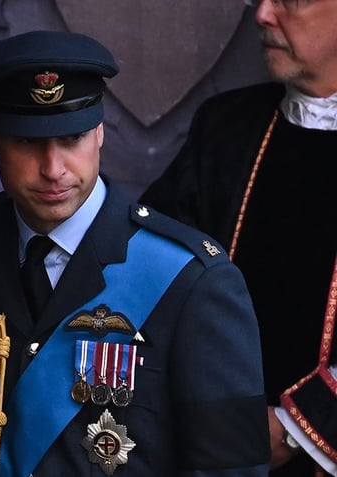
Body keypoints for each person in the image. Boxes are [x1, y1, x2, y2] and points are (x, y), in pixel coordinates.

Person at [0, 30, 270, 477]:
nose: (53, 169)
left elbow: (231, 470)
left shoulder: (191, 279)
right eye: (28, 142)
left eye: (72, 138)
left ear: (99, 132)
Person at [139, 1, 337, 475]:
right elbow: (147, 265)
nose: (263, 14)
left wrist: (295, 426)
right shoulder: (226, 128)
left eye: (290, 0)